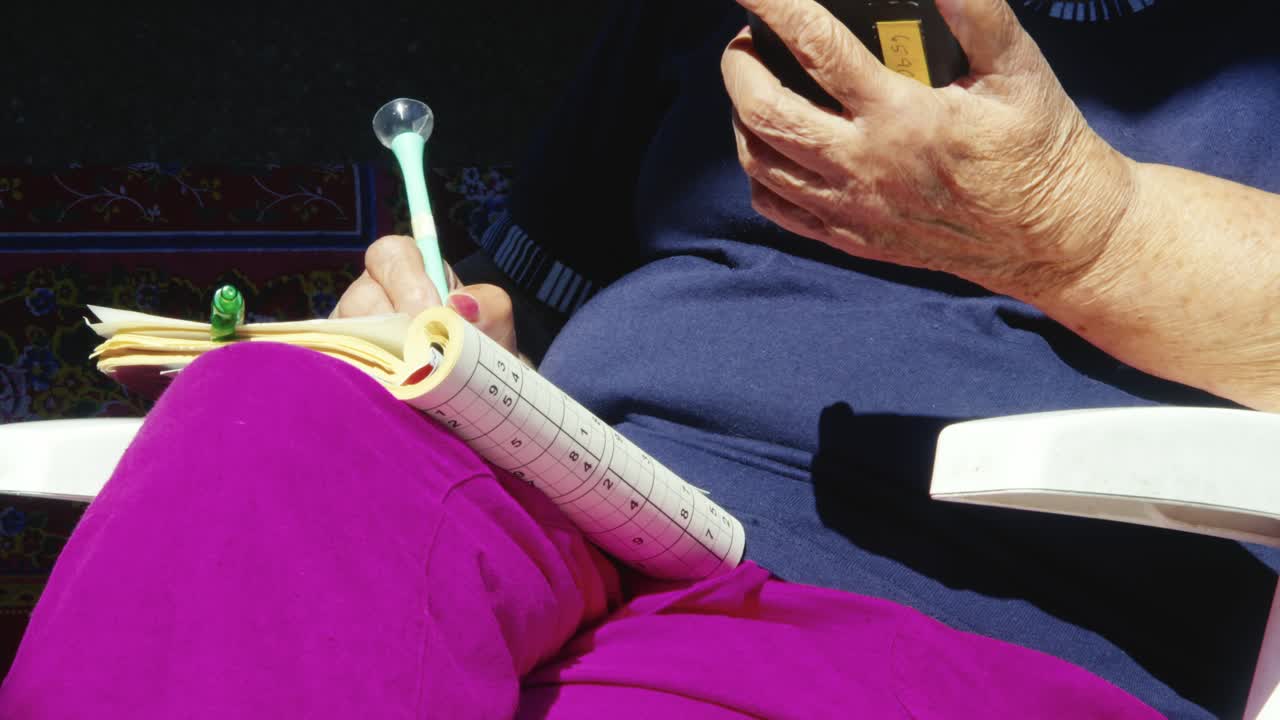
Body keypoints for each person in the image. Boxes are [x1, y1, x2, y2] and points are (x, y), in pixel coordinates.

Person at [2, 0, 1276, 717]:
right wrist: (473, 352)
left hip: (954, 620)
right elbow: (547, 292)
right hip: (594, 520)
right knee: (270, 417)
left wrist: (1080, 228)